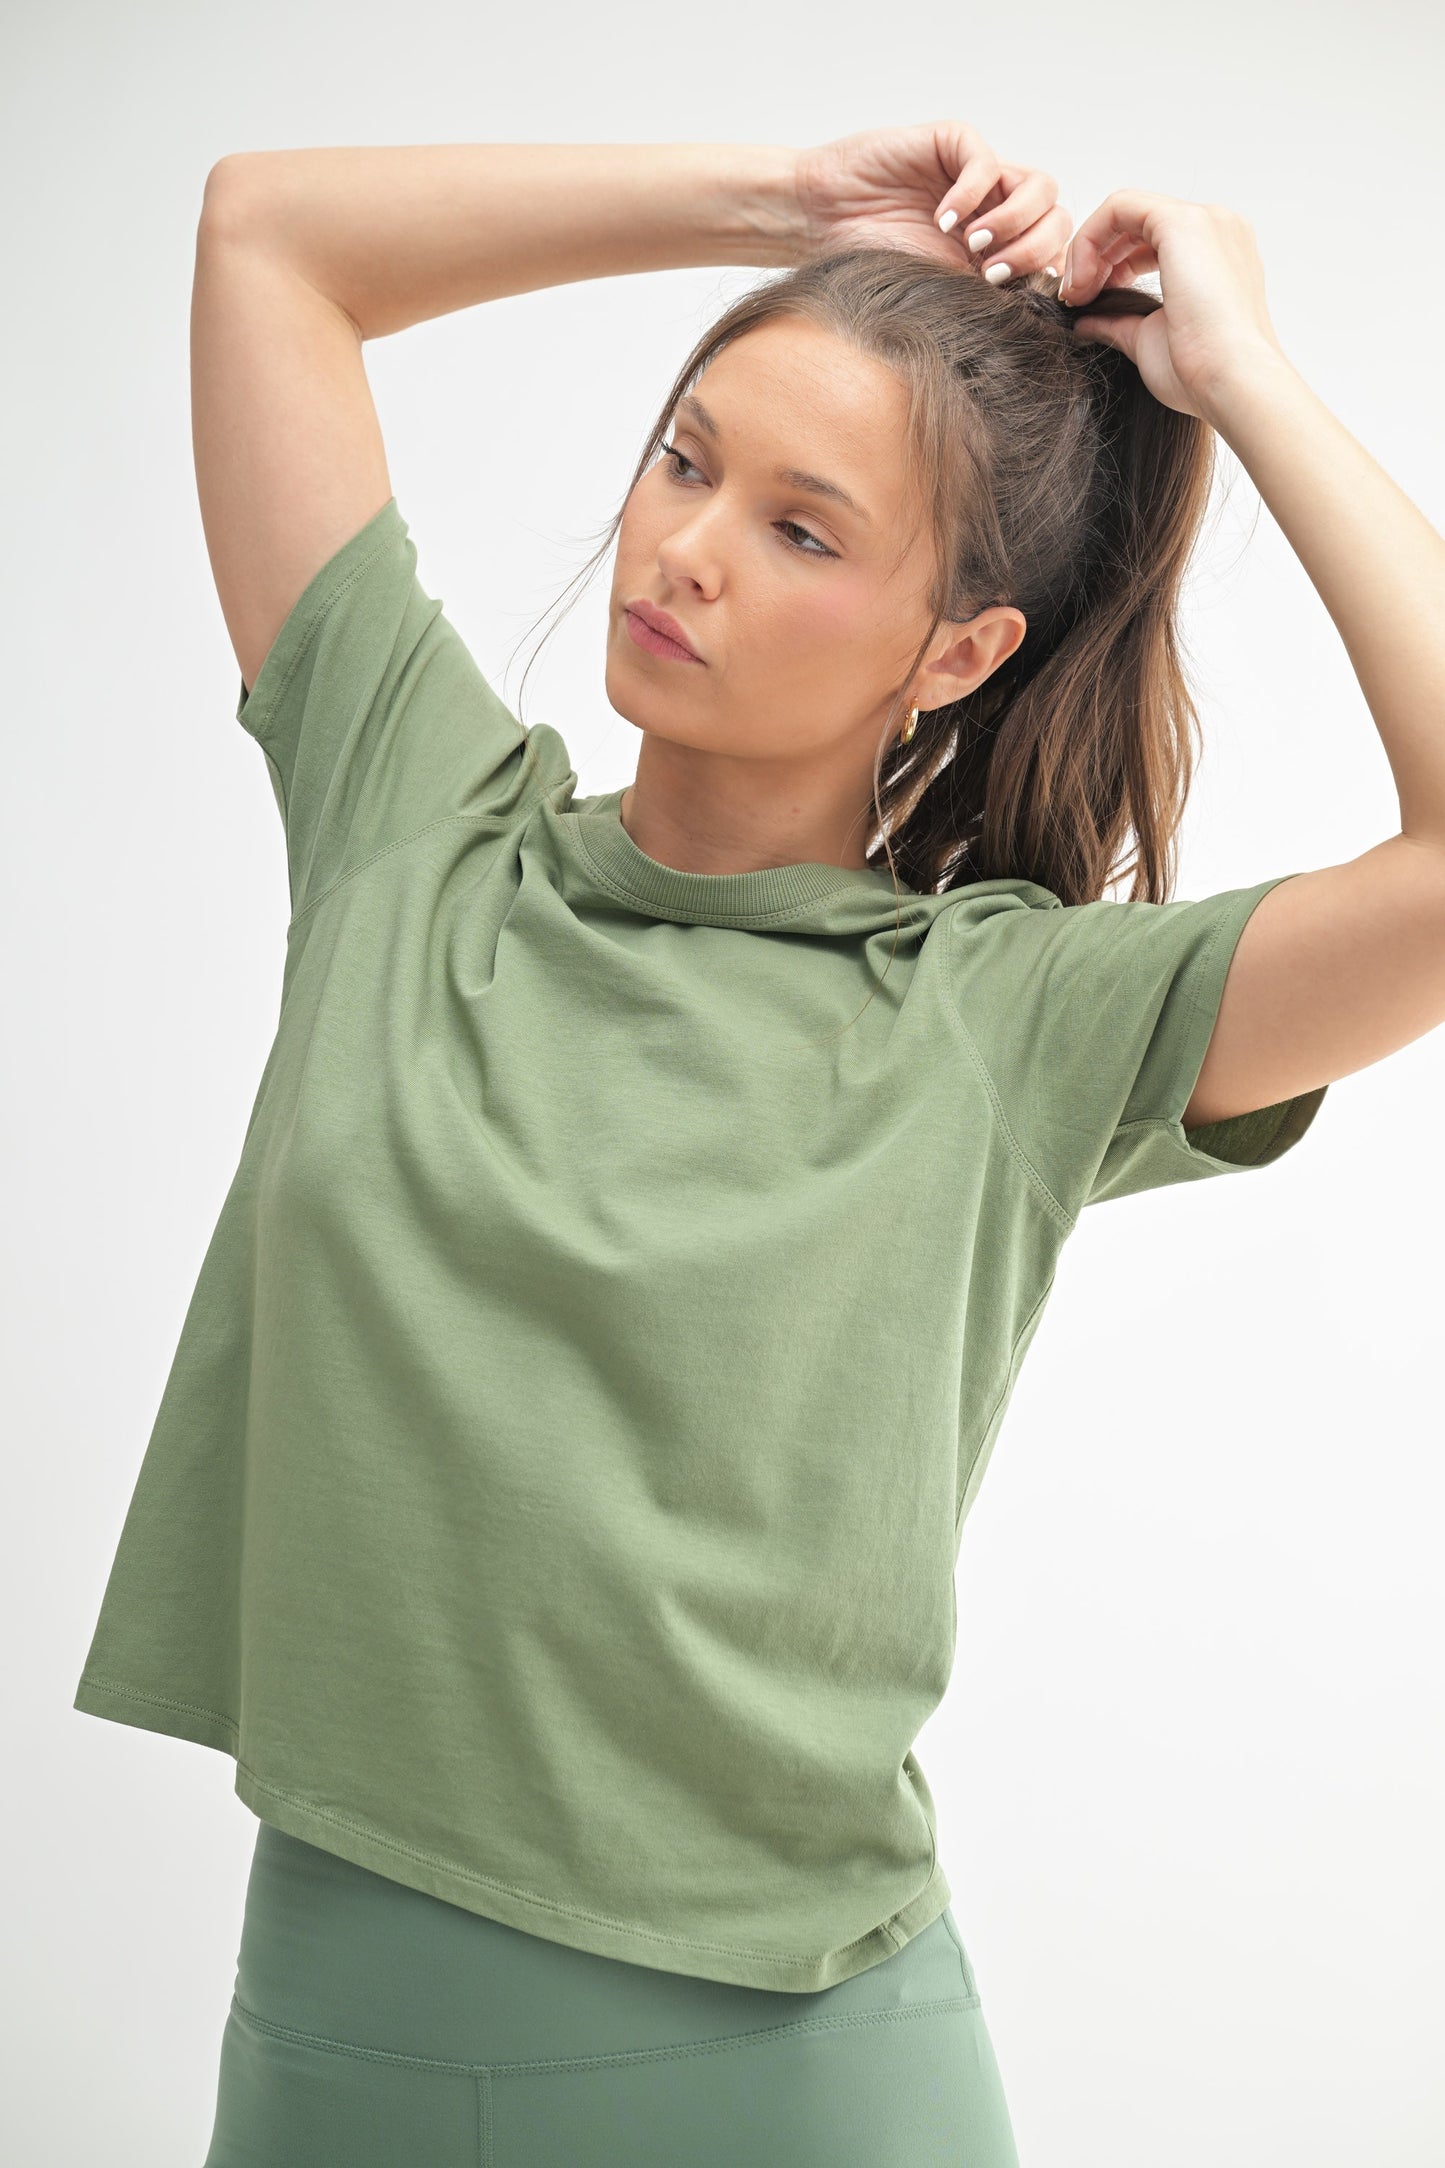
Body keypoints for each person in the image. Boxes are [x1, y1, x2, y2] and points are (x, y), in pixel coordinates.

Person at [71, 125, 1445, 2165]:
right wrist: (786, 212)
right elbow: (269, 237)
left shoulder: (1009, 1015)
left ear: (955, 651)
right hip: (334, 2046)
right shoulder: (412, 825)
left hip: (794, 2076)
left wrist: (1238, 368)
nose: (686, 549)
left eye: (804, 530)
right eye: (685, 458)